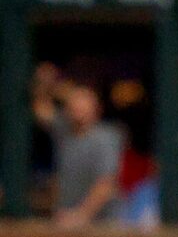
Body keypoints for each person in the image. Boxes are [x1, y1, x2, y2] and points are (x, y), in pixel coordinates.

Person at [32, 66, 126, 226]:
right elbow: (41, 110)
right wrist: (45, 84)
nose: (78, 109)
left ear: (97, 109)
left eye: (84, 104)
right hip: (66, 217)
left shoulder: (105, 137)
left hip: (101, 223)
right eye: (74, 104)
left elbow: (106, 184)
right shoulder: (65, 131)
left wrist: (81, 215)